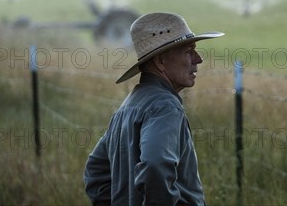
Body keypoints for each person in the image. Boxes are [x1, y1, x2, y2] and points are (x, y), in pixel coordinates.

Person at [84, 12, 224, 206]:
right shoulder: (165, 106)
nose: (198, 59)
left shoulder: (129, 105)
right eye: (188, 51)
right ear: (160, 61)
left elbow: (95, 171)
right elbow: (155, 164)